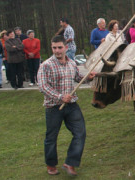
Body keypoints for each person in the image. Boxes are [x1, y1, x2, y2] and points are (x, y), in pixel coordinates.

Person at [37, 35, 96, 176]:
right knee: (51, 137)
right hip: (53, 107)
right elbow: (43, 86)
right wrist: (60, 96)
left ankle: (70, 163)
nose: (57, 51)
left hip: (72, 106)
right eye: (54, 48)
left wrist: (88, 78)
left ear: (66, 48)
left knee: (80, 133)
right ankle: (51, 165)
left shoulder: (72, 63)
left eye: (60, 47)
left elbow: (77, 78)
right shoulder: (46, 65)